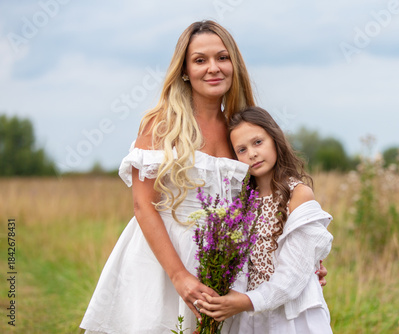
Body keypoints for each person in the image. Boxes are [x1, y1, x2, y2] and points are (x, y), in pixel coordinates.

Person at [80, 20, 327, 334]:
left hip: (222, 262)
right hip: (162, 262)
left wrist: (304, 261)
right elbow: (143, 206)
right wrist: (180, 276)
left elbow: (264, 206)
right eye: (200, 60)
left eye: (222, 58)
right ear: (184, 70)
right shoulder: (162, 125)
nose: (213, 68)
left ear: (234, 64)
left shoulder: (240, 134)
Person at [196, 106, 334, 333]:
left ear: (275, 139)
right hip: (250, 317)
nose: (251, 154)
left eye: (258, 142)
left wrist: (245, 302)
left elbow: (294, 273)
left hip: (291, 316)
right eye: (241, 149)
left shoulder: (297, 194)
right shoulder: (240, 203)